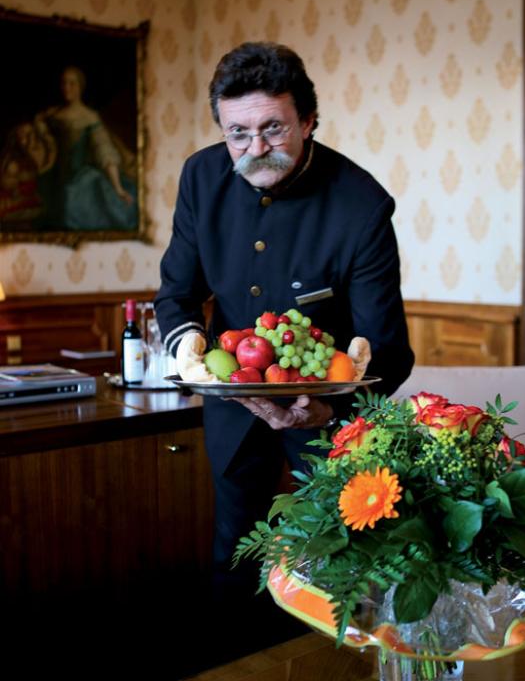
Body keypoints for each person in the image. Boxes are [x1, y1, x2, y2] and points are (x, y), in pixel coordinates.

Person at [155, 42, 413, 646]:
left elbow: (391, 351)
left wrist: (326, 409)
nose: (254, 149)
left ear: (308, 122)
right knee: (232, 558)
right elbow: (176, 293)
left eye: (273, 128)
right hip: (233, 402)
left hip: (332, 420)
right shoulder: (200, 176)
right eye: (237, 133)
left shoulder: (363, 204)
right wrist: (192, 348)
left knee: (337, 569)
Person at [34, 66, 137, 231]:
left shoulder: (89, 117)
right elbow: (40, 129)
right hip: (54, 178)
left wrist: (118, 188)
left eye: (72, 83)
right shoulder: (52, 115)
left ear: (80, 86)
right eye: (64, 83)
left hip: (81, 179)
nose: (67, 88)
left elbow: (105, 151)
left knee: (70, 205)